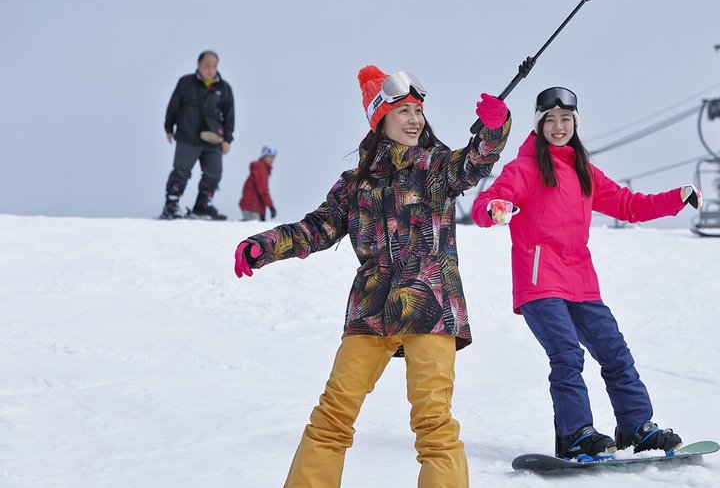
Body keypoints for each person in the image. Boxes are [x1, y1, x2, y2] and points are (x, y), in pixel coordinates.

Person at [233, 65, 510, 488]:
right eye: (403, 112)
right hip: (371, 308)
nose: (415, 120)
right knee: (333, 414)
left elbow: (473, 163)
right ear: (380, 119)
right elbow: (317, 228)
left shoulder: (436, 166)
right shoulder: (354, 184)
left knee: (433, 420)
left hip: (429, 305)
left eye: (418, 111)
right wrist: (264, 246)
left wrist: (494, 128)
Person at [470, 87, 702, 461]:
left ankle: (636, 427)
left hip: (580, 280)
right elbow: (489, 201)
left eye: (566, 120)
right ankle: (576, 434)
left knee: (614, 352)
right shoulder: (525, 168)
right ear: (539, 124)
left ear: (574, 124)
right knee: (566, 355)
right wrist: (495, 208)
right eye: (551, 120)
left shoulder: (583, 171)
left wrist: (677, 197)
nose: (559, 127)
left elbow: (628, 205)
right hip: (539, 282)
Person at [160, 50, 235, 220]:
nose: (210, 69)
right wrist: (168, 128)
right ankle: (171, 205)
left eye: (214, 65)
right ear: (198, 65)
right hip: (188, 136)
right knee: (181, 171)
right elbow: (173, 106)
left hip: (213, 138)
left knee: (214, 173)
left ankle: (202, 207)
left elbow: (229, 115)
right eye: (207, 65)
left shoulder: (224, 88)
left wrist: (227, 139)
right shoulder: (186, 83)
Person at [239, 145, 277, 221]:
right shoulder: (260, 167)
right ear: (263, 156)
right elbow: (262, 189)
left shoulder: (263, 168)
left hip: (255, 207)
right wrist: (271, 206)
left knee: (254, 228)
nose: (272, 159)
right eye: (269, 156)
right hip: (251, 206)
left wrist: (262, 211)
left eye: (273, 157)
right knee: (252, 229)